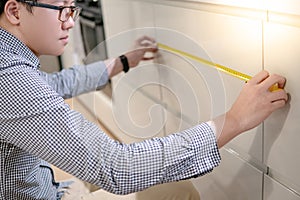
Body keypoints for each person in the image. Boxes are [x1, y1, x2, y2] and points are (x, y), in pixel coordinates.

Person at [0, 0, 289, 199]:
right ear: (15, 11)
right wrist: (234, 120)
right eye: (62, 10)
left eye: (72, 9)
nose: (70, 23)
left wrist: (123, 61)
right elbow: (118, 168)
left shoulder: (10, 59)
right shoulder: (9, 78)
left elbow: (56, 83)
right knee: (178, 192)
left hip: (48, 187)